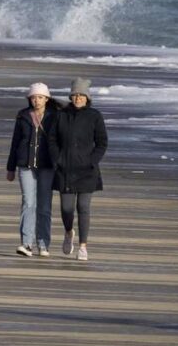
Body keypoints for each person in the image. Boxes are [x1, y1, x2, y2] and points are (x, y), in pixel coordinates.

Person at [48, 78, 108, 261]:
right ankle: (68, 232)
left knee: (83, 207)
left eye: (81, 95)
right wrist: (57, 159)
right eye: (75, 95)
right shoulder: (61, 115)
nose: (78, 98)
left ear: (87, 98)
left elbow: (102, 142)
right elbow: (51, 139)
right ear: (71, 96)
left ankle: (83, 246)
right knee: (66, 208)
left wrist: (92, 161)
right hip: (64, 169)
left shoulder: (95, 116)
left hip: (87, 170)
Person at [6, 82, 61, 257]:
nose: (36, 100)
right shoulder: (23, 116)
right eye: (33, 97)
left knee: (44, 206)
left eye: (40, 97)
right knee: (28, 203)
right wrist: (10, 167)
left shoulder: (55, 116)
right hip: (25, 165)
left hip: (47, 166)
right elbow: (15, 142)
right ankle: (26, 243)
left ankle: (43, 244)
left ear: (47, 99)